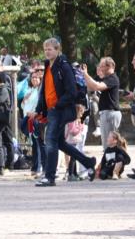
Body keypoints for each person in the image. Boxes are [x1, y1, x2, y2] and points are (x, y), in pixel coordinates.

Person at [27, 38, 97, 186]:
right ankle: (88, 162)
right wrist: (39, 110)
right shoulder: (47, 66)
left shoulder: (64, 67)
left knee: (50, 141)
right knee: (60, 143)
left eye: (50, 49)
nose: (47, 51)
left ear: (57, 50)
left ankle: (50, 176)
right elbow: (44, 91)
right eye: (45, 49)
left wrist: (56, 106)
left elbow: (71, 92)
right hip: (53, 110)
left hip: (60, 110)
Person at [83, 57, 121, 149]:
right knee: (106, 144)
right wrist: (83, 76)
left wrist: (85, 73)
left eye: (102, 66)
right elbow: (91, 87)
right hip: (106, 113)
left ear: (109, 67)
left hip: (110, 113)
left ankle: (114, 161)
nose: (100, 68)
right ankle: (109, 161)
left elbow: (97, 86)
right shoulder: (106, 78)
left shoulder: (112, 78)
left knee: (110, 144)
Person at [19, 67, 45, 177]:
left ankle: (39, 167)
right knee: (34, 145)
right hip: (27, 118)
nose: (34, 79)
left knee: (38, 144)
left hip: (36, 119)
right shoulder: (30, 90)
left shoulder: (40, 91)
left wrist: (33, 113)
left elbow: (38, 106)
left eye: (36, 78)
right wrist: (24, 100)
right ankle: (35, 167)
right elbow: (23, 106)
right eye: (32, 78)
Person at [64, 103, 89, 181]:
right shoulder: (72, 120)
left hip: (74, 141)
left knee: (74, 157)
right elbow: (73, 131)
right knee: (73, 158)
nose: (81, 115)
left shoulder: (75, 120)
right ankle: (71, 174)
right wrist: (81, 127)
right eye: (81, 113)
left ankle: (74, 173)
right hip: (71, 141)